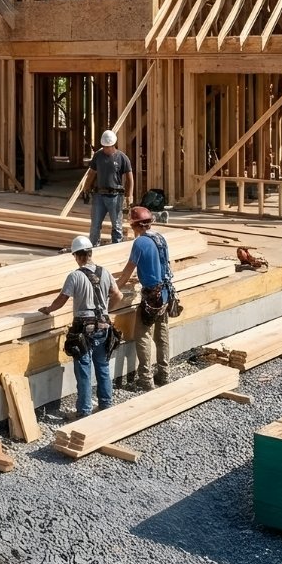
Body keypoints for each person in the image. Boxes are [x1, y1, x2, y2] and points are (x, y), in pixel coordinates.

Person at [39, 235, 123, 418]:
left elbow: (62, 299)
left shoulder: (75, 276)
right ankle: (106, 403)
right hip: (103, 326)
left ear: (76, 255)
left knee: (84, 369)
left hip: (83, 329)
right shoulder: (105, 272)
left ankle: (84, 410)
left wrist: (48, 309)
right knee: (102, 365)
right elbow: (118, 295)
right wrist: (106, 311)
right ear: (91, 253)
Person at [116, 205, 172, 390]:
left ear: (136, 225)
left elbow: (125, 273)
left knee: (142, 335)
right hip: (165, 294)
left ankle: (145, 379)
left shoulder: (140, 243)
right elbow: (160, 265)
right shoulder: (160, 238)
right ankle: (164, 374)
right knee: (162, 336)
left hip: (151, 298)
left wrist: (114, 289)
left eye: (132, 226)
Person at [80, 129, 134, 246]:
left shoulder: (122, 158)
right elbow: (92, 173)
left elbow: (130, 178)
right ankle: (93, 247)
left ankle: (116, 247)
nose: (105, 149)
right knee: (95, 225)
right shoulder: (98, 156)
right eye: (104, 146)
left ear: (113, 145)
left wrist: (129, 195)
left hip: (115, 196)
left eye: (107, 147)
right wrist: (86, 188)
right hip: (99, 195)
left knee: (117, 225)